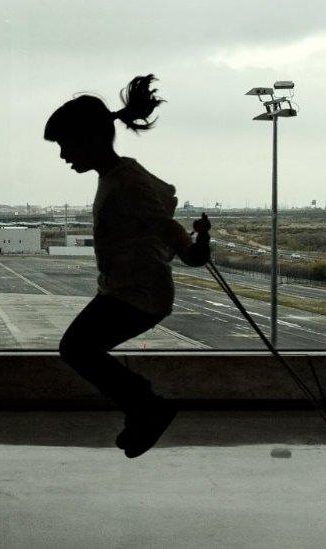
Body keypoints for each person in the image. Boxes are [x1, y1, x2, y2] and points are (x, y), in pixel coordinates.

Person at [43, 75, 212, 458]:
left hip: (139, 294)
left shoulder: (127, 184)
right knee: (78, 349)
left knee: (77, 349)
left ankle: (148, 408)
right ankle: (145, 408)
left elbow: (175, 240)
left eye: (66, 144)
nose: (63, 155)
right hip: (125, 290)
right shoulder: (117, 176)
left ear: (90, 140)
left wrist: (197, 243)